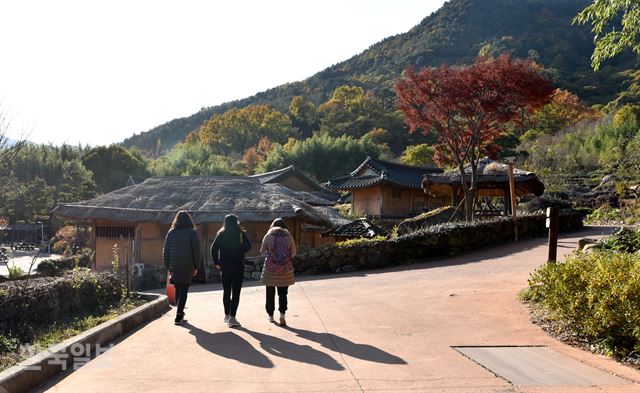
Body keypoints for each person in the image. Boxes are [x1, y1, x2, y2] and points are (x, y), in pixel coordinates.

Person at [210, 214, 251, 327]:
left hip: (226, 267)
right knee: (236, 292)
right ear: (236, 222)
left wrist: (216, 262)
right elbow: (248, 246)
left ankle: (227, 315)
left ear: (225, 222)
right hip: (238, 266)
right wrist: (240, 250)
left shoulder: (221, 234)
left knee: (226, 291)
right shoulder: (240, 233)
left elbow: (213, 248)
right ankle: (232, 317)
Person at [163, 210, 201, 325]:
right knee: (184, 289)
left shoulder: (171, 232)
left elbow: (165, 250)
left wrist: (167, 265)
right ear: (189, 220)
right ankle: (179, 316)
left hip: (174, 266)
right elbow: (196, 251)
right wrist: (196, 266)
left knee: (178, 288)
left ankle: (179, 314)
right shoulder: (192, 232)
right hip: (188, 265)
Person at [260, 218, 296, 327]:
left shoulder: (268, 236)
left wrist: (270, 255)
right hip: (285, 270)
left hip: (270, 270)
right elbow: (293, 252)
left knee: (270, 293)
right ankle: (282, 315)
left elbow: (262, 252)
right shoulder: (289, 237)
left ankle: (271, 316)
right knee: (283, 293)